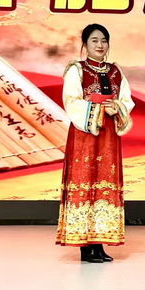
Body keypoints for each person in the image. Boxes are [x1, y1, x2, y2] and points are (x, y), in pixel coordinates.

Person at [56, 23, 134, 263]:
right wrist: (97, 108)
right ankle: (84, 246)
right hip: (85, 134)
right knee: (85, 180)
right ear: (85, 44)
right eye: (94, 40)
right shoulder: (76, 70)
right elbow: (71, 101)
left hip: (108, 134)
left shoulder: (116, 71)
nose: (100, 45)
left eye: (104, 40)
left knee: (104, 183)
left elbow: (127, 100)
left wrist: (116, 107)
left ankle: (98, 243)